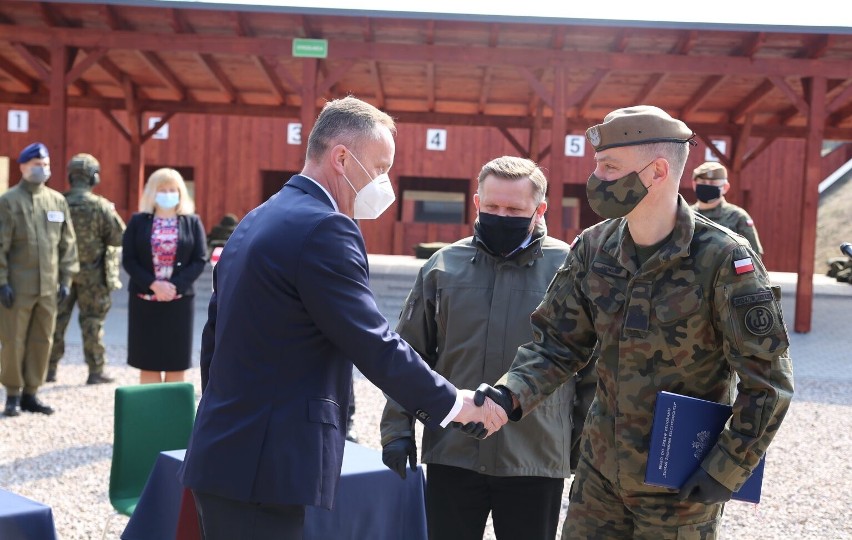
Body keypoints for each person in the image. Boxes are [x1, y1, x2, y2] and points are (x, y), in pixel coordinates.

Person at [178, 95, 505, 540]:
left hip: (228, 450)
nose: (386, 182)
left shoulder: (259, 217)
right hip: (265, 465)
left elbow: (214, 338)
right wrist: (454, 403)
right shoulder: (326, 227)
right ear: (343, 158)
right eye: (382, 167)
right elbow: (371, 340)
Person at [478, 106, 794, 538]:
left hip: (680, 484)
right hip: (600, 478)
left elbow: (768, 382)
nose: (597, 179)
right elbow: (557, 343)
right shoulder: (594, 246)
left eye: (610, 168)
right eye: (598, 166)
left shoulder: (725, 258)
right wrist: (508, 396)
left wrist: (726, 469)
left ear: (657, 171)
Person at [380, 155, 597, 540]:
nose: (502, 215)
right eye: (493, 206)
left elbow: (589, 368)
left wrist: (577, 448)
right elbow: (409, 354)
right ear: (477, 203)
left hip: (534, 457)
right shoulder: (442, 266)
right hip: (453, 450)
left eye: (515, 209)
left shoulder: (570, 269)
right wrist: (397, 428)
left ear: (539, 209)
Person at [0, 142, 79, 416]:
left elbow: (67, 244)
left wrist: (66, 279)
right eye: (36, 164)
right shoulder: (8, 202)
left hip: (49, 287)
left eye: (45, 164)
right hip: (17, 287)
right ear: (22, 167)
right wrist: (2, 282)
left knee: (42, 340)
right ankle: (12, 393)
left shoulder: (57, 201)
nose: (42, 169)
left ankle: (31, 393)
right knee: (13, 340)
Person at [122, 168, 207, 384]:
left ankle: (173, 416)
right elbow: (129, 259)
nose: (168, 194)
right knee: (148, 361)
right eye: (162, 189)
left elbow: (199, 259)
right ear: (152, 192)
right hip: (145, 301)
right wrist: (154, 285)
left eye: (173, 189)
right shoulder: (138, 221)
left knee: (176, 362)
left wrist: (174, 286)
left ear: (180, 193)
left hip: (178, 303)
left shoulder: (192, 222)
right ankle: (150, 415)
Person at [47, 153, 126, 385]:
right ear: (94, 178)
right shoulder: (101, 207)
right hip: (93, 276)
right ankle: (95, 370)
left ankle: (48, 369)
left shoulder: (56, 203)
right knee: (93, 322)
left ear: (71, 176)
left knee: (55, 320)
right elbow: (118, 237)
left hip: (60, 274)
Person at [691, 161, 764, 256]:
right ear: (694, 185)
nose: (707, 185)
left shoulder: (738, 217)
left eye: (713, 183)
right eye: (703, 182)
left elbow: (754, 255)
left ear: (725, 187)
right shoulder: (685, 214)